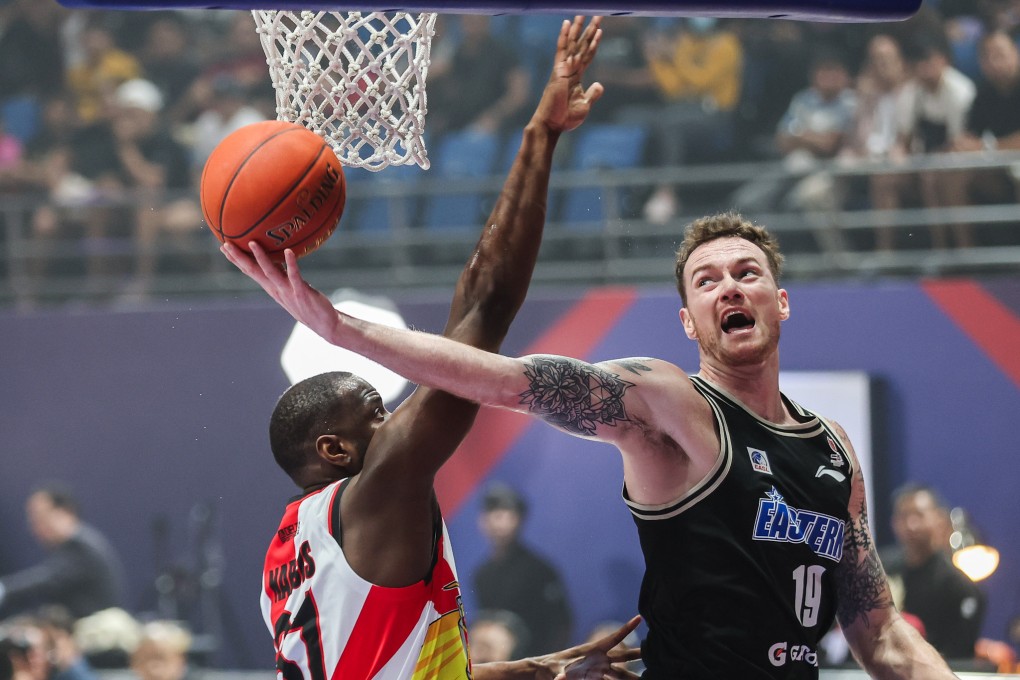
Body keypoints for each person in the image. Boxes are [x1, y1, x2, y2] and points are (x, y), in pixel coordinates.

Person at [225, 208, 961, 678]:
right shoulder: (668, 401)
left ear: (781, 300)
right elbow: (511, 381)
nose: (730, 288)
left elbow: (881, 632)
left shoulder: (831, 450)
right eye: (707, 280)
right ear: (687, 321)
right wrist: (341, 331)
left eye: (748, 274)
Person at [235, 17, 639, 680]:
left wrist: (539, 671)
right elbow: (484, 309)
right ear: (334, 450)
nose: (397, 414)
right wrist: (540, 136)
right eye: (376, 410)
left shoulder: (287, 554)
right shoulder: (378, 491)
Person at [880, 484, 985, 662]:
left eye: (919, 515)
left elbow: (958, 656)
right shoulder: (879, 570)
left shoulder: (959, 588)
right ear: (893, 522)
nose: (911, 525)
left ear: (939, 519)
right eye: (903, 516)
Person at [474, 483, 573, 656]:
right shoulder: (482, 575)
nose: (501, 523)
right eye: (495, 515)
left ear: (520, 521)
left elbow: (562, 624)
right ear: (483, 521)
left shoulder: (540, 570)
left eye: (508, 516)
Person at [0, 485, 125, 621]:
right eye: (32, 519)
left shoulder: (80, 547)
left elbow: (46, 579)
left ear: (65, 512)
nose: (35, 526)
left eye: (40, 517)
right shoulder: (70, 547)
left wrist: (4, 589)